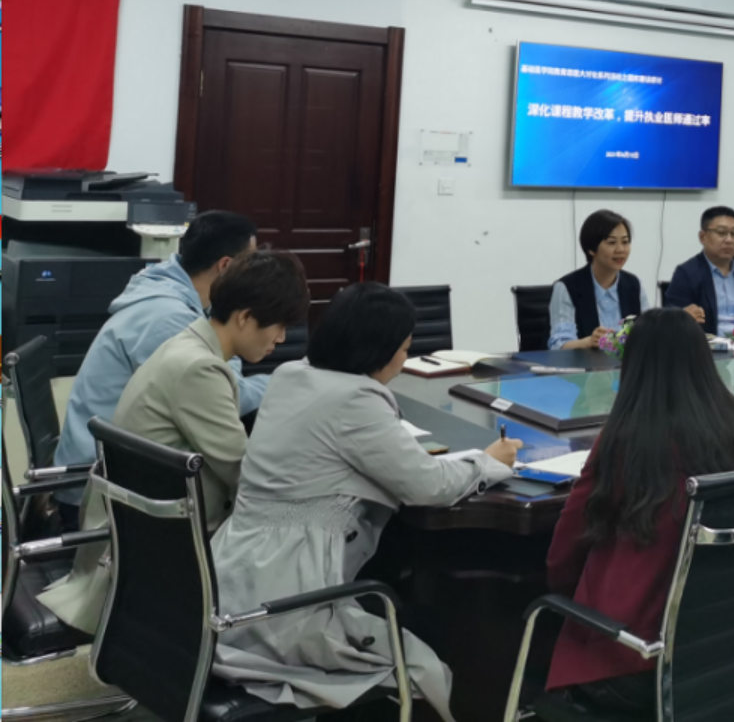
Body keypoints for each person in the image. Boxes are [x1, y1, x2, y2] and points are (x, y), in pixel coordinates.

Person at [212, 283, 520, 720]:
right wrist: (488, 462)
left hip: (229, 577)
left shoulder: (290, 375)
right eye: (405, 349)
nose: (404, 360)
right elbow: (429, 486)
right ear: (379, 349)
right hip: (287, 602)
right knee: (423, 666)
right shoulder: (357, 399)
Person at [40, 250, 309, 634]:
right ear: (245, 317)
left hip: (141, 529)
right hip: (155, 548)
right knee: (306, 538)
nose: (281, 339)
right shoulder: (200, 369)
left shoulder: (189, 342)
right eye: (279, 326)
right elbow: (244, 476)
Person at [545, 308, 734, 710]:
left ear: (634, 366)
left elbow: (563, 556)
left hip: (638, 658)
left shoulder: (627, 439)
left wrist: (568, 601)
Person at [54, 210, 265, 526]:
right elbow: (224, 397)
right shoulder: (169, 317)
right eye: (251, 264)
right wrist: (282, 382)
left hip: (118, 470)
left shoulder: (167, 289)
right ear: (226, 266)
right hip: (102, 494)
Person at [550, 210, 653, 350]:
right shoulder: (567, 287)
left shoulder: (634, 285)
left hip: (627, 364)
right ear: (591, 249)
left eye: (625, 242)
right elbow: (558, 345)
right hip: (584, 363)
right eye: (611, 242)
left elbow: (649, 335)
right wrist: (587, 342)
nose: (620, 249)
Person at [664, 205, 734, 337]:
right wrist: (683, 316)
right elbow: (670, 320)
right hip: (710, 345)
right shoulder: (687, 273)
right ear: (703, 237)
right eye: (721, 233)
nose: (729, 240)